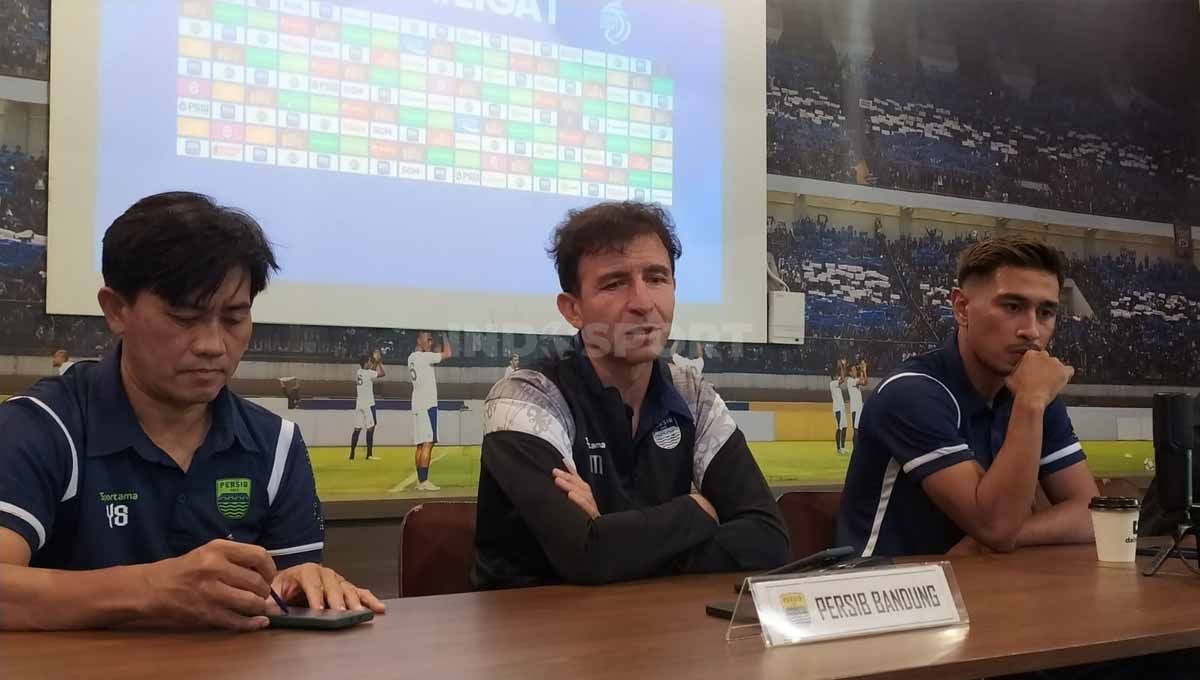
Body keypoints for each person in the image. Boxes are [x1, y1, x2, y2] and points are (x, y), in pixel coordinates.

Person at [0, 192, 384, 631]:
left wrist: (306, 585)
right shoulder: (43, 426)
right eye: (185, 318)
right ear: (116, 310)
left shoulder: (275, 444)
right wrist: (152, 588)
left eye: (235, 318)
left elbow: (286, 604)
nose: (212, 345)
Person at [472, 201, 789, 590]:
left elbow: (768, 538)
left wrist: (611, 532)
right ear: (573, 309)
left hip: (655, 631)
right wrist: (697, 511)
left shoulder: (693, 397)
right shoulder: (525, 399)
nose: (642, 302)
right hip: (535, 639)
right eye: (615, 283)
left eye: (657, 278)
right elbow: (585, 554)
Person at [836, 235, 1098, 557]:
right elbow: (997, 527)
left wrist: (983, 542)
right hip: (886, 592)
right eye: (1012, 307)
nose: (1031, 330)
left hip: (975, 586)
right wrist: (1030, 403)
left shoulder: (1034, 392)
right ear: (962, 308)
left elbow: (1092, 513)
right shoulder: (911, 393)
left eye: (1045, 313)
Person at [408, 331, 451, 491]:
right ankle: (424, 481)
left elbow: (436, 352)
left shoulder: (412, 358)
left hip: (417, 403)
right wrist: (445, 334)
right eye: (428, 339)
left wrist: (435, 343)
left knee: (420, 445)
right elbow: (447, 353)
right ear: (419, 340)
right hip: (427, 405)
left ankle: (420, 481)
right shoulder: (425, 358)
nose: (430, 341)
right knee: (428, 443)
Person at [349, 350, 384, 461]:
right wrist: (379, 362)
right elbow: (382, 373)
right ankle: (369, 454)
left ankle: (352, 454)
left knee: (357, 429)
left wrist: (374, 363)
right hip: (368, 404)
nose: (370, 363)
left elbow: (370, 371)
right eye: (369, 361)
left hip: (359, 404)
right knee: (371, 428)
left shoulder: (359, 372)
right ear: (365, 363)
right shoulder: (368, 373)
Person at [845, 363, 865, 450]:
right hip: (855, 409)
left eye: (855, 370)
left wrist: (863, 371)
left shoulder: (855, 379)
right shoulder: (850, 381)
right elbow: (861, 381)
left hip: (860, 408)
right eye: (853, 370)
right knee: (856, 430)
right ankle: (855, 449)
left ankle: (858, 448)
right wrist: (862, 370)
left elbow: (865, 382)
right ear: (849, 373)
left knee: (859, 429)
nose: (855, 372)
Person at [830, 362, 847, 455]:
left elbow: (843, 377)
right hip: (837, 409)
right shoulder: (832, 383)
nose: (839, 377)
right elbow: (843, 379)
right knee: (839, 428)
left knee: (844, 427)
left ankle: (843, 447)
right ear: (834, 377)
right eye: (837, 376)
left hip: (842, 408)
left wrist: (843, 366)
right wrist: (841, 366)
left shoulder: (837, 384)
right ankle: (838, 448)